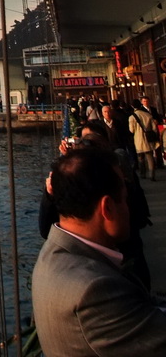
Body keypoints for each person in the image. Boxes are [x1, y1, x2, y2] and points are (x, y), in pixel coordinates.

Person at [32, 147, 166, 357]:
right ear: (107, 208)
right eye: (123, 198)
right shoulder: (94, 289)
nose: (128, 208)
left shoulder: (53, 254)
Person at [130, 104, 158, 182]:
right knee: (150, 157)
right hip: (148, 139)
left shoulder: (132, 117)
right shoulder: (148, 115)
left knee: (140, 158)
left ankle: (143, 173)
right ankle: (152, 174)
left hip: (138, 139)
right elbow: (154, 128)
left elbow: (131, 130)